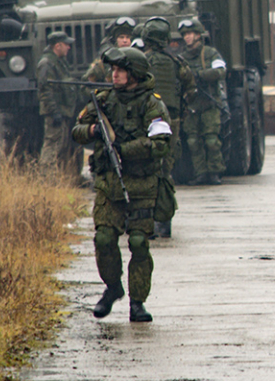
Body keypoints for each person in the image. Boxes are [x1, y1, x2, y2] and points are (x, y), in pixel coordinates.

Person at [72, 47, 172, 323]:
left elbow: (161, 144)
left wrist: (124, 150)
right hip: (108, 184)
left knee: (139, 243)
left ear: (135, 75)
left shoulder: (153, 104)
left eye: (120, 71)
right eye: (112, 70)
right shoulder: (102, 101)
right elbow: (77, 131)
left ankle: (137, 303)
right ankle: (113, 287)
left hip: (142, 185)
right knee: (104, 238)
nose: (114, 75)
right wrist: (93, 131)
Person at [142, 17, 196, 237]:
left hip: (145, 122)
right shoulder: (177, 63)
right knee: (165, 171)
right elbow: (190, 90)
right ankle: (163, 222)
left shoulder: (140, 62)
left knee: (144, 170)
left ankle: (143, 221)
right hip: (170, 122)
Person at [179, 18, 227, 186]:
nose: (187, 37)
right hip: (191, 106)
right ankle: (201, 173)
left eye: (190, 33)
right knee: (193, 142)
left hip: (209, 104)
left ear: (198, 35)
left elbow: (221, 71)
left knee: (211, 140)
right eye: (185, 34)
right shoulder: (181, 58)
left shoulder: (210, 53)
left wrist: (201, 75)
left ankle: (215, 172)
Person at [37, 31, 79, 167]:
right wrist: (54, 112)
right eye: (66, 45)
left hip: (62, 110)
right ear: (58, 46)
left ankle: (55, 180)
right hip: (54, 111)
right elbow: (45, 91)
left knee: (60, 146)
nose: (69, 48)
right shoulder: (46, 64)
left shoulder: (58, 62)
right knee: (52, 146)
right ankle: (46, 180)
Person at [84, 17, 136, 83]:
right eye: (121, 37)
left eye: (128, 37)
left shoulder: (138, 59)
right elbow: (87, 83)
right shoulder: (104, 62)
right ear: (115, 40)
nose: (125, 41)